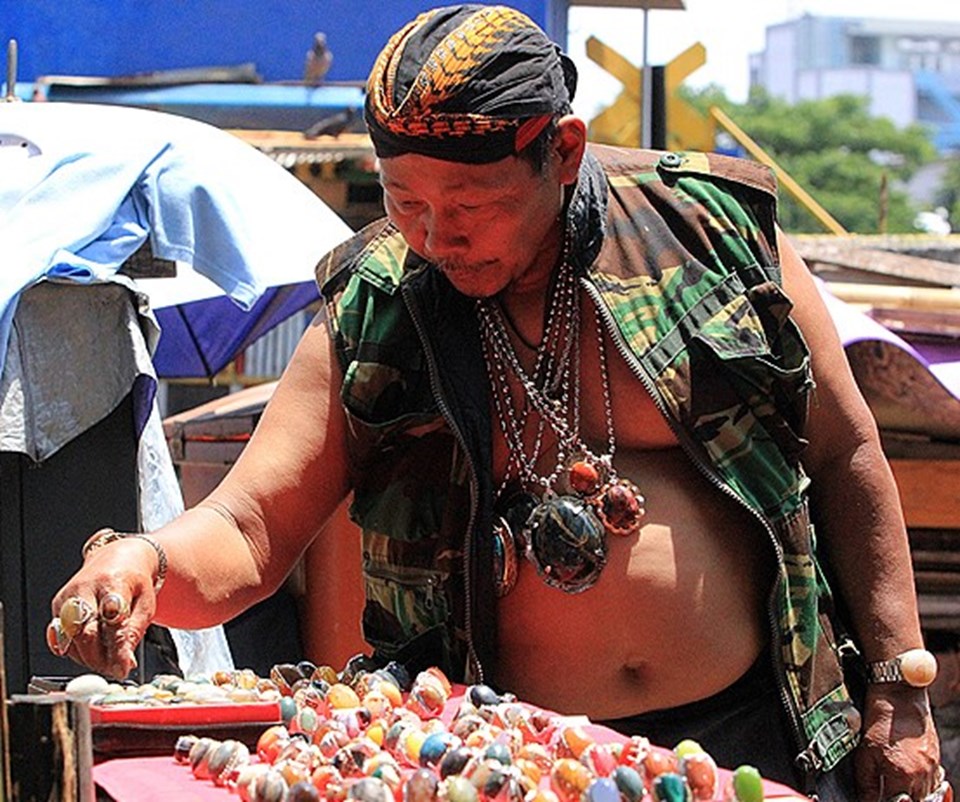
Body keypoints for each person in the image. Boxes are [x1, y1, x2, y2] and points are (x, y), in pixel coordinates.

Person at [49, 5, 942, 799]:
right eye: (405, 202)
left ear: (562, 151)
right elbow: (248, 530)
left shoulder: (712, 232)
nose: (435, 238)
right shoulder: (379, 302)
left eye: (470, 204)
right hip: (494, 761)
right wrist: (146, 562)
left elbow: (845, 453)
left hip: (757, 737)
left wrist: (901, 689)